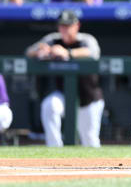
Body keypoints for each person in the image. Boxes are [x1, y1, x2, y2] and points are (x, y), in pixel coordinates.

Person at [25, 10, 104, 147]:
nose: (65, 29)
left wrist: (67, 52)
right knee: (49, 105)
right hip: (64, 94)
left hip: (88, 97)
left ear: (77, 25)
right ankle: (55, 148)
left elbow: (93, 53)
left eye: (68, 25)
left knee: (90, 141)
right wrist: (42, 51)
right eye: (62, 25)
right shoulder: (52, 39)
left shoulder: (85, 39)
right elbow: (28, 52)